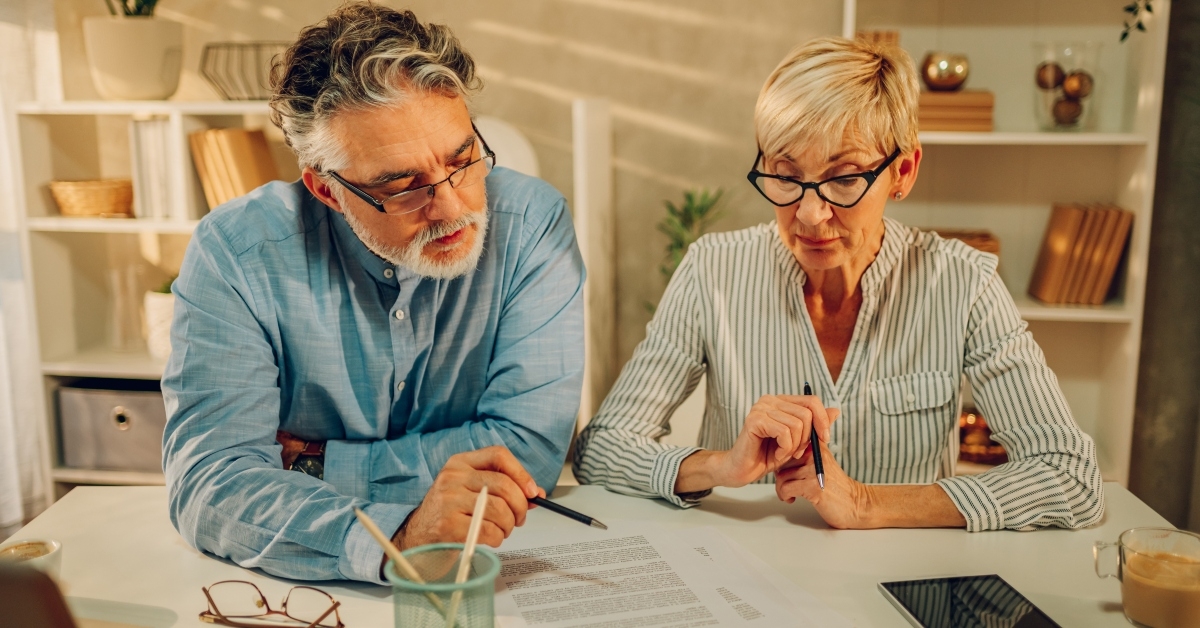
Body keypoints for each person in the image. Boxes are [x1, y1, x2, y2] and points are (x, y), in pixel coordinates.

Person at [574, 37, 1104, 531]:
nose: (809, 213)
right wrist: (721, 466)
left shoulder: (964, 284)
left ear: (904, 171)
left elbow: (1071, 478)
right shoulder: (712, 271)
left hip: (902, 586)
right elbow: (600, 450)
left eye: (845, 178)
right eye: (784, 175)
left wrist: (867, 504)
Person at [162, 3, 585, 583]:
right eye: (403, 186)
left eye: (463, 159)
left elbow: (524, 453)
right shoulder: (235, 254)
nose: (454, 206)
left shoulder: (534, 223)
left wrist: (314, 463)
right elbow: (211, 485)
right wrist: (398, 539)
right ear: (326, 189)